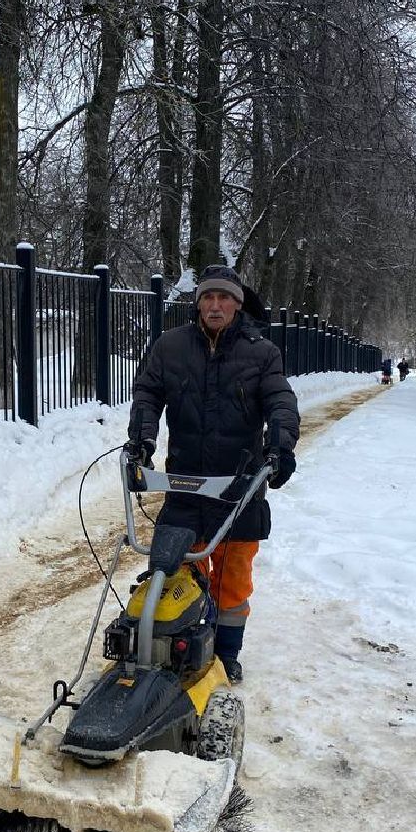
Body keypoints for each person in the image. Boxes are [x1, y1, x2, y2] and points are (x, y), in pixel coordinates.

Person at [124, 265, 300, 685]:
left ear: (237, 304)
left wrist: (280, 446)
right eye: (208, 298)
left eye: (224, 298)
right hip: (185, 484)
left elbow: (280, 400)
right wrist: (141, 441)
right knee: (175, 569)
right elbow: (148, 394)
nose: (215, 305)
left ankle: (225, 655)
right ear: (198, 303)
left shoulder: (261, 353)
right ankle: (177, 643)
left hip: (239, 488)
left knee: (232, 579)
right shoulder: (170, 347)